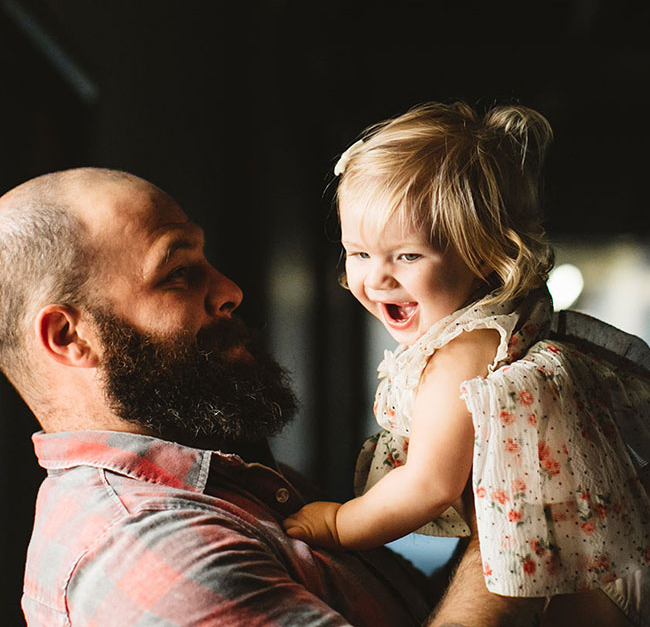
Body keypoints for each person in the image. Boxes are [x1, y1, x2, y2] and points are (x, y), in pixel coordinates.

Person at [2, 167, 434, 626]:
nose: (231, 290)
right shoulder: (150, 550)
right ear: (69, 336)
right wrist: (503, 555)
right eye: (178, 273)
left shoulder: (226, 478)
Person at [283, 102, 650, 627]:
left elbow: (429, 485)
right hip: (597, 545)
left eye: (407, 256)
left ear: (481, 254)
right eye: (358, 253)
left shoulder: (462, 352)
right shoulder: (505, 319)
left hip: (596, 573)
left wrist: (339, 525)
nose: (377, 278)